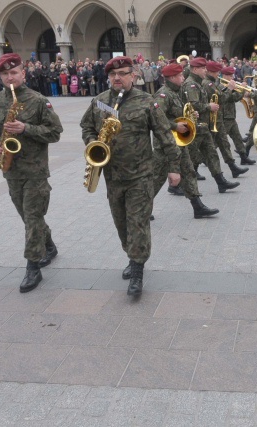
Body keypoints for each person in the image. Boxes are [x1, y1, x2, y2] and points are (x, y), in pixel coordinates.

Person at [80, 56, 181, 296]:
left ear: (133, 76)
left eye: (123, 73)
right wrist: (92, 142)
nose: (117, 77)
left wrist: (174, 167)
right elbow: (86, 126)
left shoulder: (147, 102)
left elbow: (164, 134)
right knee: (121, 223)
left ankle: (137, 269)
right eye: (113, 74)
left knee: (138, 222)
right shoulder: (100, 101)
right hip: (112, 176)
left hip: (141, 175)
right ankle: (132, 255)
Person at [0, 53, 63, 293]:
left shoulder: (38, 101)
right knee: (28, 217)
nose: (9, 77)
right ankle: (49, 245)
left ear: (23, 73)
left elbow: (55, 132)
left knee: (33, 217)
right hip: (11, 170)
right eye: (5, 74)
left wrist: (26, 128)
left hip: (36, 171)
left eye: (13, 72)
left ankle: (32, 267)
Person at [152, 62, 219, 218]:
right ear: (172, 77)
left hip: (178, 142)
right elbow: (156, 120)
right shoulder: (163, 95)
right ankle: (142, 209)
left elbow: (180, 113)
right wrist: (175, 126)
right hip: (165, 144)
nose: (183, 77)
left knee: (189, 172)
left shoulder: (176, 92)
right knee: (157, 178)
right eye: (180, 75)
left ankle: (198, 207)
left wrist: (191, 116)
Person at [181, 57, 240, 193]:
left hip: (203, 126)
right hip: (196, 126)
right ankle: (177, 185)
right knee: (190, 156)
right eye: (202, 68)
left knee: (211, 153)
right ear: (195, 69)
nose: (205, 70)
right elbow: (193, 104)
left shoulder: (199, 83)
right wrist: (209, 106)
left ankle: (221, 182)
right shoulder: (192, 85)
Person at [203, 61, 249, 178]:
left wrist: (239, 90)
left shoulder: (215, 83)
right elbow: (225, 98)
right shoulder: (214, 84)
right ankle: (199, 161)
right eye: (217, 72)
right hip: (222, 117)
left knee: (226, 143)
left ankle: (236, 165)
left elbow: (233, 97)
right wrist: (233, 89)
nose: (218, 74)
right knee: (213, 145)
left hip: (224, 117)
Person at [220, 66, 256, 165]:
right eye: (230, 75)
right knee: (217, 141)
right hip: (224, 117)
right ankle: (198, 161)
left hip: (230, 116)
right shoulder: (221, 85)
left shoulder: (228, 85)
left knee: (237, 138)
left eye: (232, 75)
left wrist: (239, 89)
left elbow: (235, 98)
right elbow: (232, 98)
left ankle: (243, 157)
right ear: (225, 75)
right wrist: (242, 89)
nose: (232, 77)